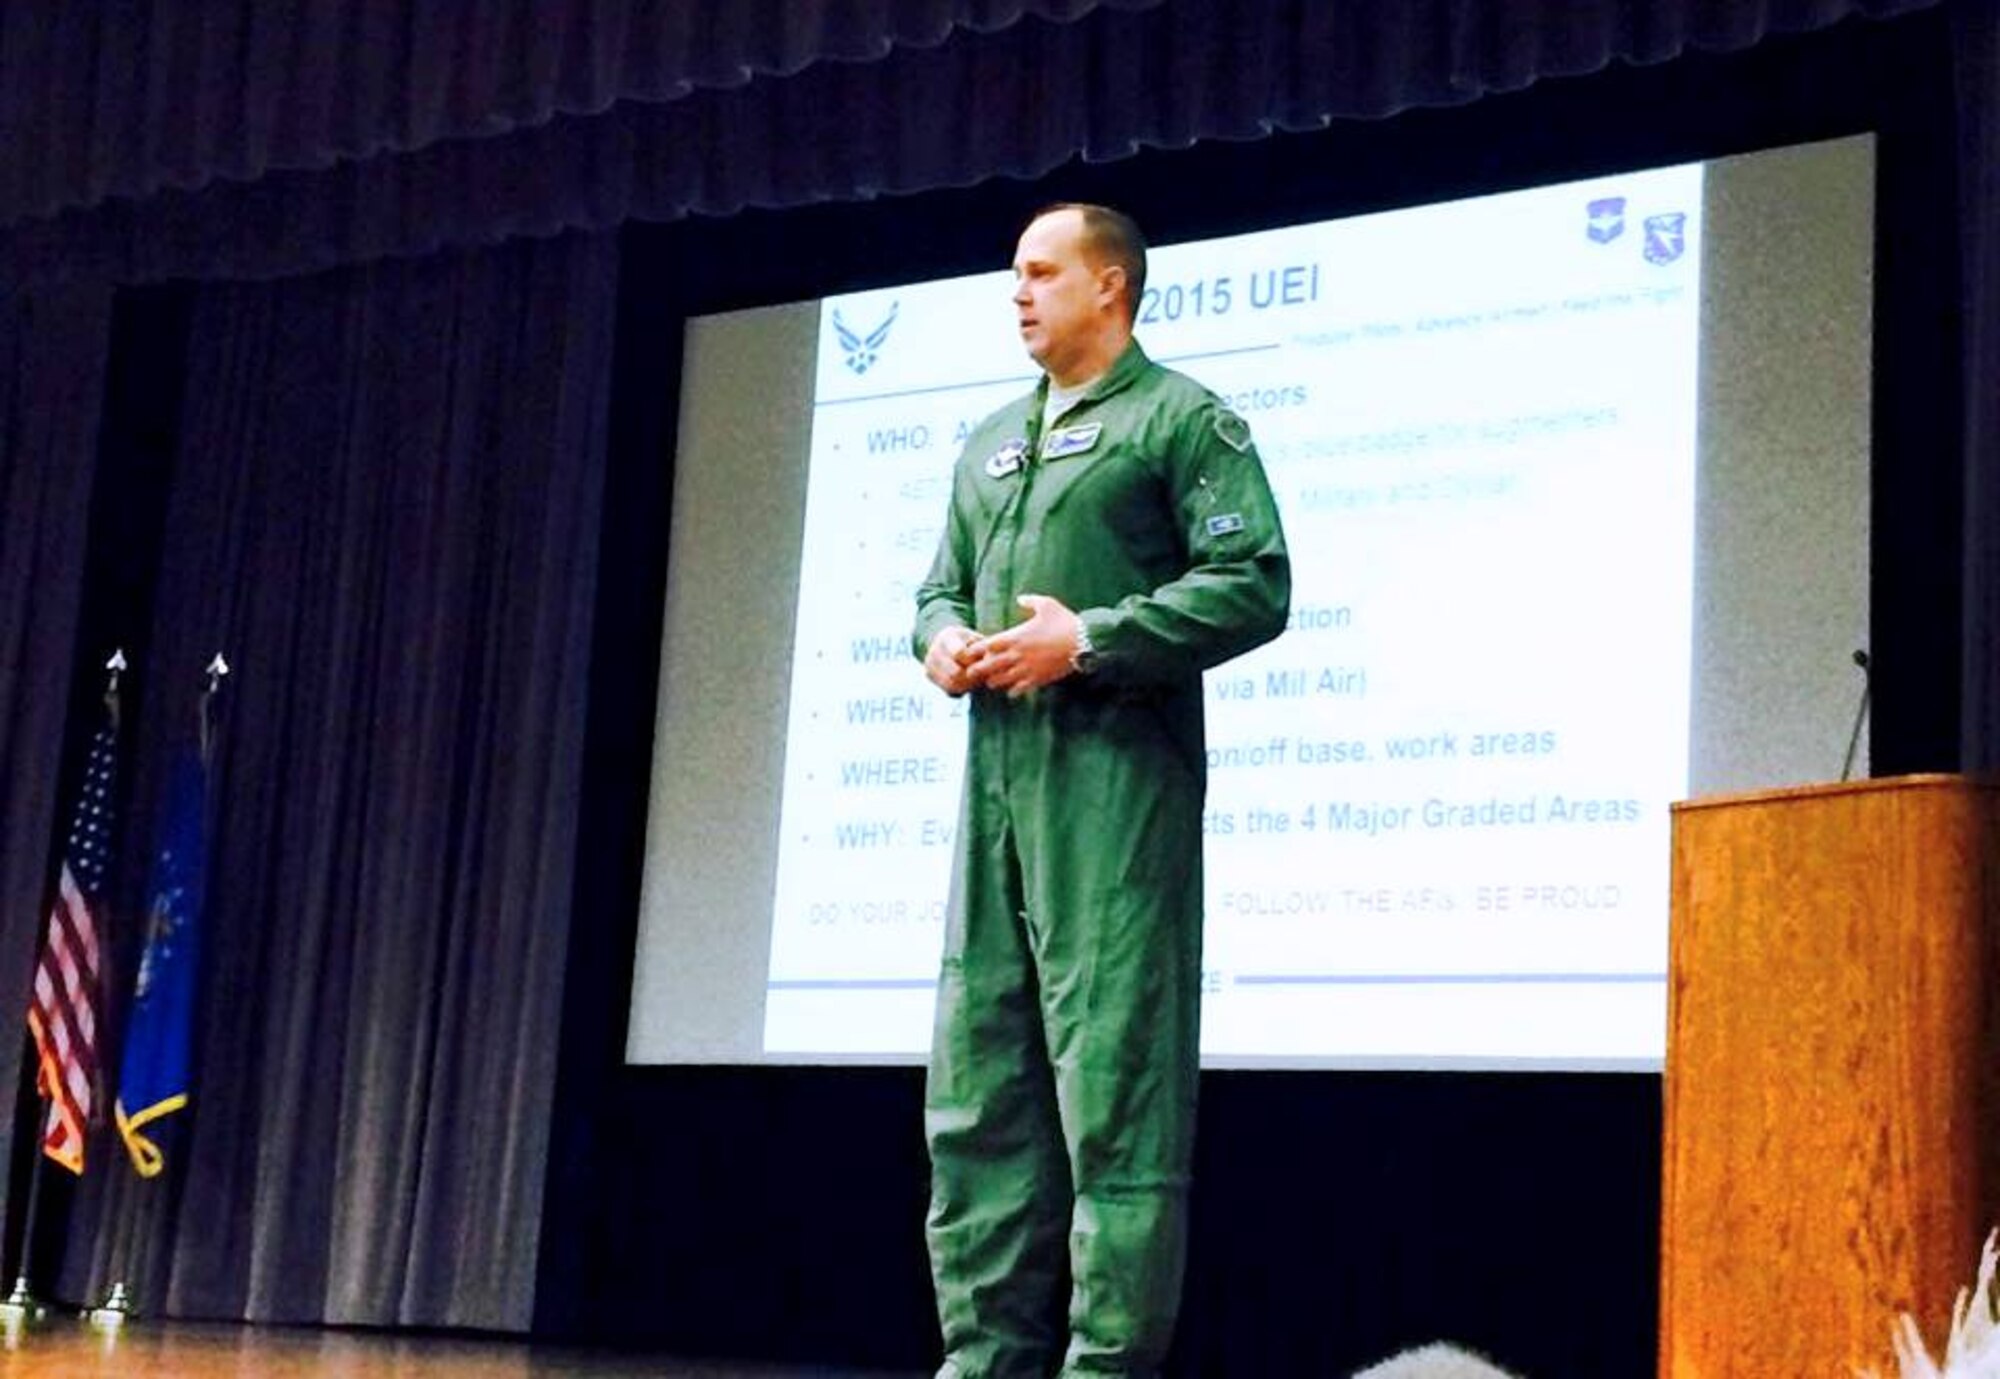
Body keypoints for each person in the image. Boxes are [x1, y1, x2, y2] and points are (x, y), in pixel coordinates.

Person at [912, 203, 1291, 1378]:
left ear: (1109, 287)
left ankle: (1103, 1367)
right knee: (978, 1101)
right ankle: (982, 1362)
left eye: (1039, 273)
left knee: (1115, 1106)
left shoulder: (1181, 421)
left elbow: (1252, 582)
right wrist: (939, 641)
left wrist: (1091, 640)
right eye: (1011, 277)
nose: (1016, 294)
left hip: (1116, 799)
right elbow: (933, 591)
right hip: (998, 802)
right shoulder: (987, 442)